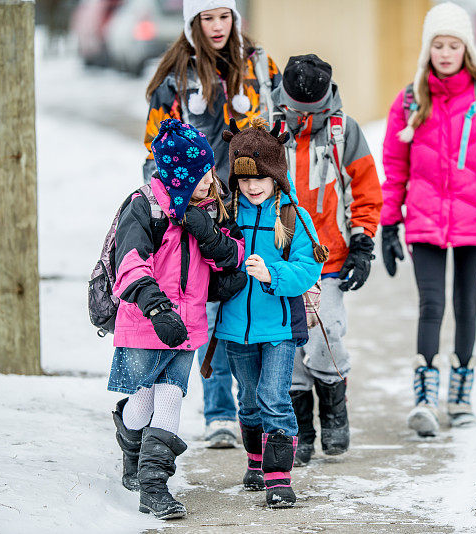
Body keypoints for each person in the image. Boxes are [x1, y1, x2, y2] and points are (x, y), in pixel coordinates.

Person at [380, 2, 476, 437]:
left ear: (467, 50)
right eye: (438, 45)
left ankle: (461, 397)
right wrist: (389, 225)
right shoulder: (410, 101)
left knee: (466, 306)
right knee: (432, 305)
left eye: (454, 45)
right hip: (425, 220)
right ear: (428, 49)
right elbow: (395, 169)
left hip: (475, 220)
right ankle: (424, 399)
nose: (445, 53)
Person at [144, 0, 282, 447]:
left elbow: (282, 136)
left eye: (225, 15)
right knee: (204, 305)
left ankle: (252, 410)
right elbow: (154, 152)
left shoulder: (259, 66)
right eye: (208, 17)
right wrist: (168, 208)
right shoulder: (175, 79)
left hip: (251, 202)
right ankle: (219, 412)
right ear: (193, 22)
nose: (218, 26)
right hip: (199, 209)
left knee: (243, 304)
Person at [109, 119, 245, 520]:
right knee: (142, 400)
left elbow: (233, 253)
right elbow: (130, 264)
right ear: (178, 175)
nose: (210, 178)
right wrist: (156, 308)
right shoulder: (144, 207)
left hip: (189, 325)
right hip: (144, 322)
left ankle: (154, 488)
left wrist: (208, 233)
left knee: (170, 397)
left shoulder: (210, 209)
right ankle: (128, 437)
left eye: (209, 170)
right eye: (202, 172)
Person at [269, 54, 383, 465]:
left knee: (326, 333)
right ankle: (301, 429)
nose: (301, 117)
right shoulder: (269, 126)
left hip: (328, 257)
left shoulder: (342, 132)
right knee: (289, 342)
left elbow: (366, 189)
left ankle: (335, 411)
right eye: (294, 109)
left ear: (324, 103)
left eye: (309, 111)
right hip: (278, 260)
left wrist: (363, 242)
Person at [215, 117, 326, 508]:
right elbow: (207, 259)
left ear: (276, 174)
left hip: (277, 328)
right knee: (247, 398)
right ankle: (257, 461)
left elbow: (309, 268)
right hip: (235, 329)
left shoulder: (293, 217)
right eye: (244, 179)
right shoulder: (226, 214)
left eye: (260, 177)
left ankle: (279, 478)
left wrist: (272, 273)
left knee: (272, 396)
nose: (252, 186)